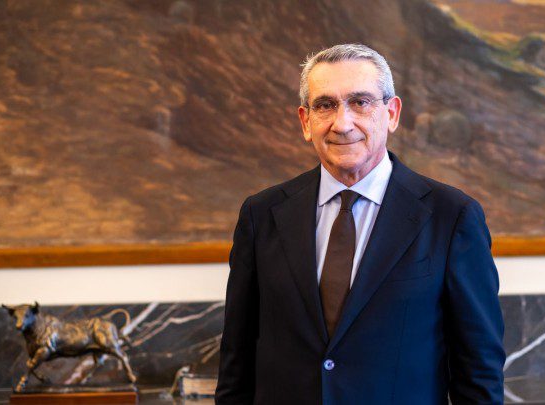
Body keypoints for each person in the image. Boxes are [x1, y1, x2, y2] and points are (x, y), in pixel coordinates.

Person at [214, 44, 505, 404]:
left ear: (392, 113)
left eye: (360, 102)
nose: (342, 123)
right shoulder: (262, 214)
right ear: (306, 121)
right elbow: (237, 361)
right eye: (325, 105)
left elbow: (479, 371)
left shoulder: (452, 216)